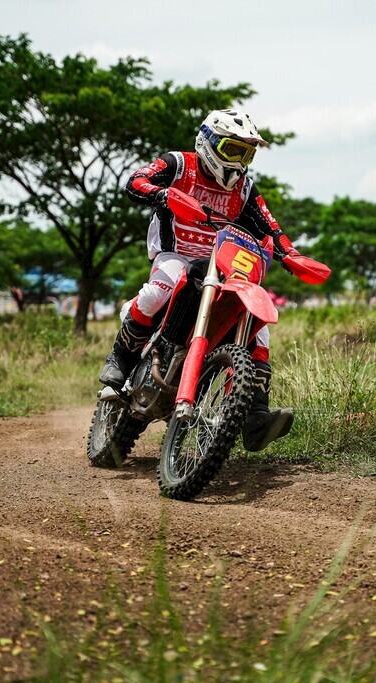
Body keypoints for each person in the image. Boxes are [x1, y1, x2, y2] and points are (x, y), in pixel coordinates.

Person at [99, 108, 301, 452]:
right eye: (232, 150)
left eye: (246, 153)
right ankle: (120, 358)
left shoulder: (245, 188)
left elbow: (271, 227)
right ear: (208, 143)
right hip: (174, 254)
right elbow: (136, 181)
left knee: (257, 323)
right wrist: (161, 194)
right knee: (157, 292)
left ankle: (253, 415)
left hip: (221, 265)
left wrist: (291, 254)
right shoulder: (178, 164)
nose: (239, 162)